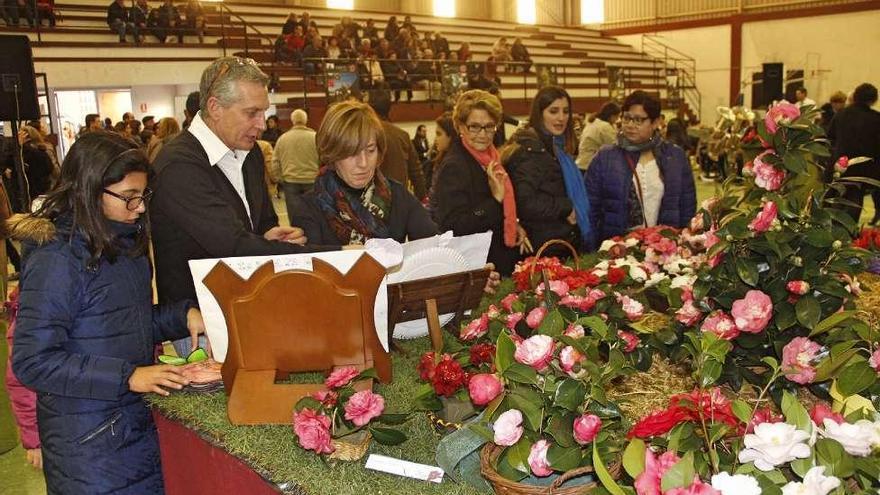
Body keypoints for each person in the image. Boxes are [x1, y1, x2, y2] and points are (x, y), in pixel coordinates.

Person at [10, 131, 205, 494]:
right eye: (129, 198)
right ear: (89, 189)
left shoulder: (122, 243)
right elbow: (32, 360)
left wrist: (181, 316)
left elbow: (117, 326)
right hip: (87, 444)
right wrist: (127, 376)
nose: (141, 208)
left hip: (128, 427)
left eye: (143, 196)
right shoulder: (57, 259)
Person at [150, 57, 333, 355]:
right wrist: (329, 257)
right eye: (252, 113)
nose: (262, 124)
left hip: (252, 305)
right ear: (214, 108)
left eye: (263, 112)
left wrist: (269, 235)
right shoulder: (179, 166)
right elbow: (232, 245)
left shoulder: (249, 152)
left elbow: (259, 224)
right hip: (204, 322)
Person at [289, 101, 436, 246]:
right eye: (352, 153)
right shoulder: (308, 208)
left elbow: (433, 246)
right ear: (331, 154)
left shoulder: (398, 195)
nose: (363, 163)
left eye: (371, 150)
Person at [432, 89, 530, 276]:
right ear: (460, 127)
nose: (483, 134)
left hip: (498, 257)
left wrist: (512, 223)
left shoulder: (492, 157)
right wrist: (494, 201)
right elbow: (454, 226)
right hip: (477, 267)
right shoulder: (454, 166)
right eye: (474, 127)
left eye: (489, 126)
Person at [585, 90, 696, 243]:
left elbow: (687, 206)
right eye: (626, 118)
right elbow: (590, 207)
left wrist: (684, 243)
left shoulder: (675, 157)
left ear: (656, 122)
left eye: (638, 120)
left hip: (665, 251)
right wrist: (593, 249)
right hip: (616, 251)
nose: (630, 125)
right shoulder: (606, 157)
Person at [504, 86, 593, 254]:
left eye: (566, 111)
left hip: (561, 240)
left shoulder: (556, 147)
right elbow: (525, 203)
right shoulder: (528, 150)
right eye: (553, 111)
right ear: (540, 114)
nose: (561, 118)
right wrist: (566, 207)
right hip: (544, 246)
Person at [827, 83, 880, 222]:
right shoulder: (876, 118)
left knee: (837, 197)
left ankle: (833, 231)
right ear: (873, 100)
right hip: (863, 168)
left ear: (855, 96)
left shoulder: (841, 114)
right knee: (855, 199)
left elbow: (830, 137)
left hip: (840, 164)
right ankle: (848, 232)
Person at [367, 90, 426, 199]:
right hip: (399, 201)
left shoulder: (363, 135)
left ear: (369, 107)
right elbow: (417, 174)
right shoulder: (402, 136)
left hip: (371, 202)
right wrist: (422, 200)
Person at [273, 108, 319, 218]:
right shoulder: (315, 137)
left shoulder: (283, 138)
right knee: (314, 215)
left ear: (292, 120)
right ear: (306, 120)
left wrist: (279, 178)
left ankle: (297, 234)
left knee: (295, 215)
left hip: (290, 181)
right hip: (312, 180)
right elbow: (325, 159)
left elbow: (275, 162)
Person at [576, 101, 620, 170]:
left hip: (582, 163)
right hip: (590, 165)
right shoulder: (605, 126)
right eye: (617, 117)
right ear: (611, 115)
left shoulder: (593, 121)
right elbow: (614, 147)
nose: (617, 120)